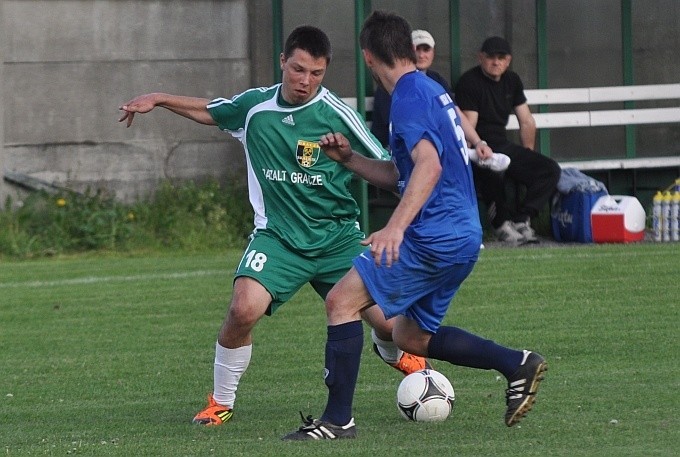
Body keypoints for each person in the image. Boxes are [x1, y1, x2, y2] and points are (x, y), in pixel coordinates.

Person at [118, 25, 430, 427]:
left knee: (391, 326)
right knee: (242, 309)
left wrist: (406, 215)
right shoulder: (255, 108)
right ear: (283, 62)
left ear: (326, 70)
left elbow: (389, 168)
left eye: (316, 74)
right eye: (298, 70)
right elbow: (211, 110)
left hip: (337, 238)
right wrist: (159, 99)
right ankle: (221, 401)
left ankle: (392, 352)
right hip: (279, 238)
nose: (305, 81)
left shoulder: (337, 115)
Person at [282, 11, 547, 441]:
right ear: (406, 48)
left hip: (434, 233)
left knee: (340, 302)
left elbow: (428, 165)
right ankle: (515, 363)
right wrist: (350, 160)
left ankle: (336, 421)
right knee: (411, 335)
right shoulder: (430, 90)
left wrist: (395, 228)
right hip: (462, 235)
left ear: (368, 57)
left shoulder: (406, 97)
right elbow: (405, 173)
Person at [454, 36, 561, 245]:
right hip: (479, 148)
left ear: (508, 60)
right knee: (493, 170)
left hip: (503, 145)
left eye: (501, 58)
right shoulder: (470, 81)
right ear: (480, 58)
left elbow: (527, 121)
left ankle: (522, 220)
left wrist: (528, 153)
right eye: (491, 57)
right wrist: (474, 152)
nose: (496, 62)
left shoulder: (512, 81)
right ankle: (501, 225)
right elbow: (468, 125)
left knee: (550, 169)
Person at [371, 29, 509, 173]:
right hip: (396, 149)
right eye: (417, 49)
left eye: (426, 49)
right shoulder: (395, 82)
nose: (422, 55)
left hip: (430, 150)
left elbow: (454, 112)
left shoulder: (436, 80)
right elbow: (402, 128)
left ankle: (465, 153)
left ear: (433, 52)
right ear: (408, 52)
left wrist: (478, 142)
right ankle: (464, 154)